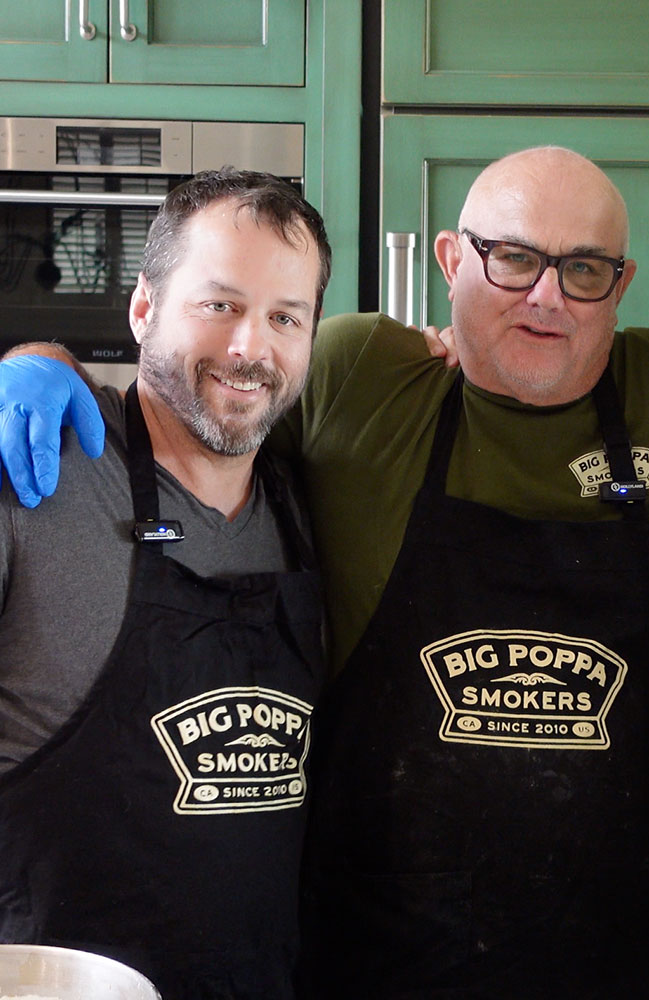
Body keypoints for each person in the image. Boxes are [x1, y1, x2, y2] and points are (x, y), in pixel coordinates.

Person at [2, 148, 649, 998]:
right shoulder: (358, 375)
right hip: (369, 965)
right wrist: (35, 356)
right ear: (449, 261)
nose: (543, 296)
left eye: (583, 270)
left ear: (621, 281)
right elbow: (194, 406)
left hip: (617, 966)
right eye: (512, 259)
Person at [0, 168, 331, 1000]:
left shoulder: (309, 502)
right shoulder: (36, 477)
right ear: (144, 307)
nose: (251, 348)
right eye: (218, 305)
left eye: (285, 318)